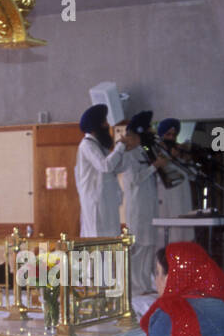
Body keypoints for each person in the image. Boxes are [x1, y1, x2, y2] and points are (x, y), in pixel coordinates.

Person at [120, 111, 171, 296]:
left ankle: (145, 283)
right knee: (139, 247)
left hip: (149, 206)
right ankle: (136, 286)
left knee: (149, 245)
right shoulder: (129, 155)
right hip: (138, 208)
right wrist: (154, 167)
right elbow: (134, 180)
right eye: (148, 129)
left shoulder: (145, 151)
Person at [74, 103, 126, 238]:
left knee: (110, 240)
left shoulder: (99, 145)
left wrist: (126, 150)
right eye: (104, 122)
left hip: (107, 202)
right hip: (96, 203)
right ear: (95, 126)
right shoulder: (87, 145)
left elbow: (117, 167)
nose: (107, 125)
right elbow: (105, 166)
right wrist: (120, 147)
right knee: (97, 242)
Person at [155, 118, 195, 241]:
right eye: (168, 134)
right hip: (167, 204)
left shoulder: (179, 155)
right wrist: (172, 158)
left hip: (183, 203)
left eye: (174, 135)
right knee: (171, 238)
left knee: (184, 237)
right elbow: (160, 176)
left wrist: (186, 159)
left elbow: (193, 175)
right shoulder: (156, 153)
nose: (172, 138)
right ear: (161, 136)